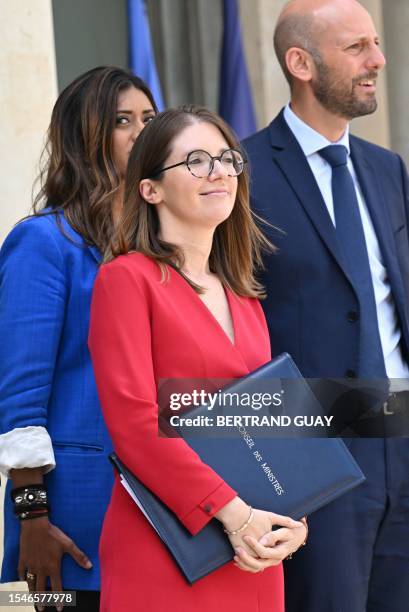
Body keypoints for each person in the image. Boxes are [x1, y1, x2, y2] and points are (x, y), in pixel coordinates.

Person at [88, 106, 308, 612]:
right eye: (196, 161)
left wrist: (293, 518)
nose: (220, 171)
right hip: (170, 545)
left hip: (252, 551)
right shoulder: (126, 279)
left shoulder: (243, 294)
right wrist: (233, 515)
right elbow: (136, 424)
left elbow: (270, 425)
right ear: (150, 189)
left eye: (228, 159)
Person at [243, 1, 409, 611]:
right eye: (358, 47)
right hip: (315, 452)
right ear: (301, 63)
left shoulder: (387, 169)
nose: (378, 59)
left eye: (375, 42)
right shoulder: (242, 175)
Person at [0, 65, 157, 611]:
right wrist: (31, 520)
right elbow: (19, 398)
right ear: (85, 135)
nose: (142, 132)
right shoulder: (42, 242)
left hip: (158, 515)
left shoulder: (164, 249)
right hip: (67, 524)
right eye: (122, 120)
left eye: (149, 118)